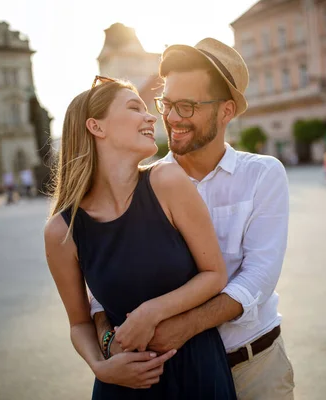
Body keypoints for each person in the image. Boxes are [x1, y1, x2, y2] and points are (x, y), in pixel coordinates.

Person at [91, 38, 294, 399]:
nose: (171, 118)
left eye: (186, 106)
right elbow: (101, 283)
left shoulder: (263, 174)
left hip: (254, 367)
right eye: (166, 104)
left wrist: (184, 326)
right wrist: (109, 342)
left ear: (226, 111)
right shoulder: (141, 184)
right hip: (174, 376)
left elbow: (259, 276)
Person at [43, 76, 236, 399]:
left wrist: (151, 312)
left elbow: (215, 275)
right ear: (96, 127)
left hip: (196, 371)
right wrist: (101, 365)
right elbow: (79, 323)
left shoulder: (168, 181)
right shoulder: (61, 231)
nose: (151, 117)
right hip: (121, 383)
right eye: (135, 108)